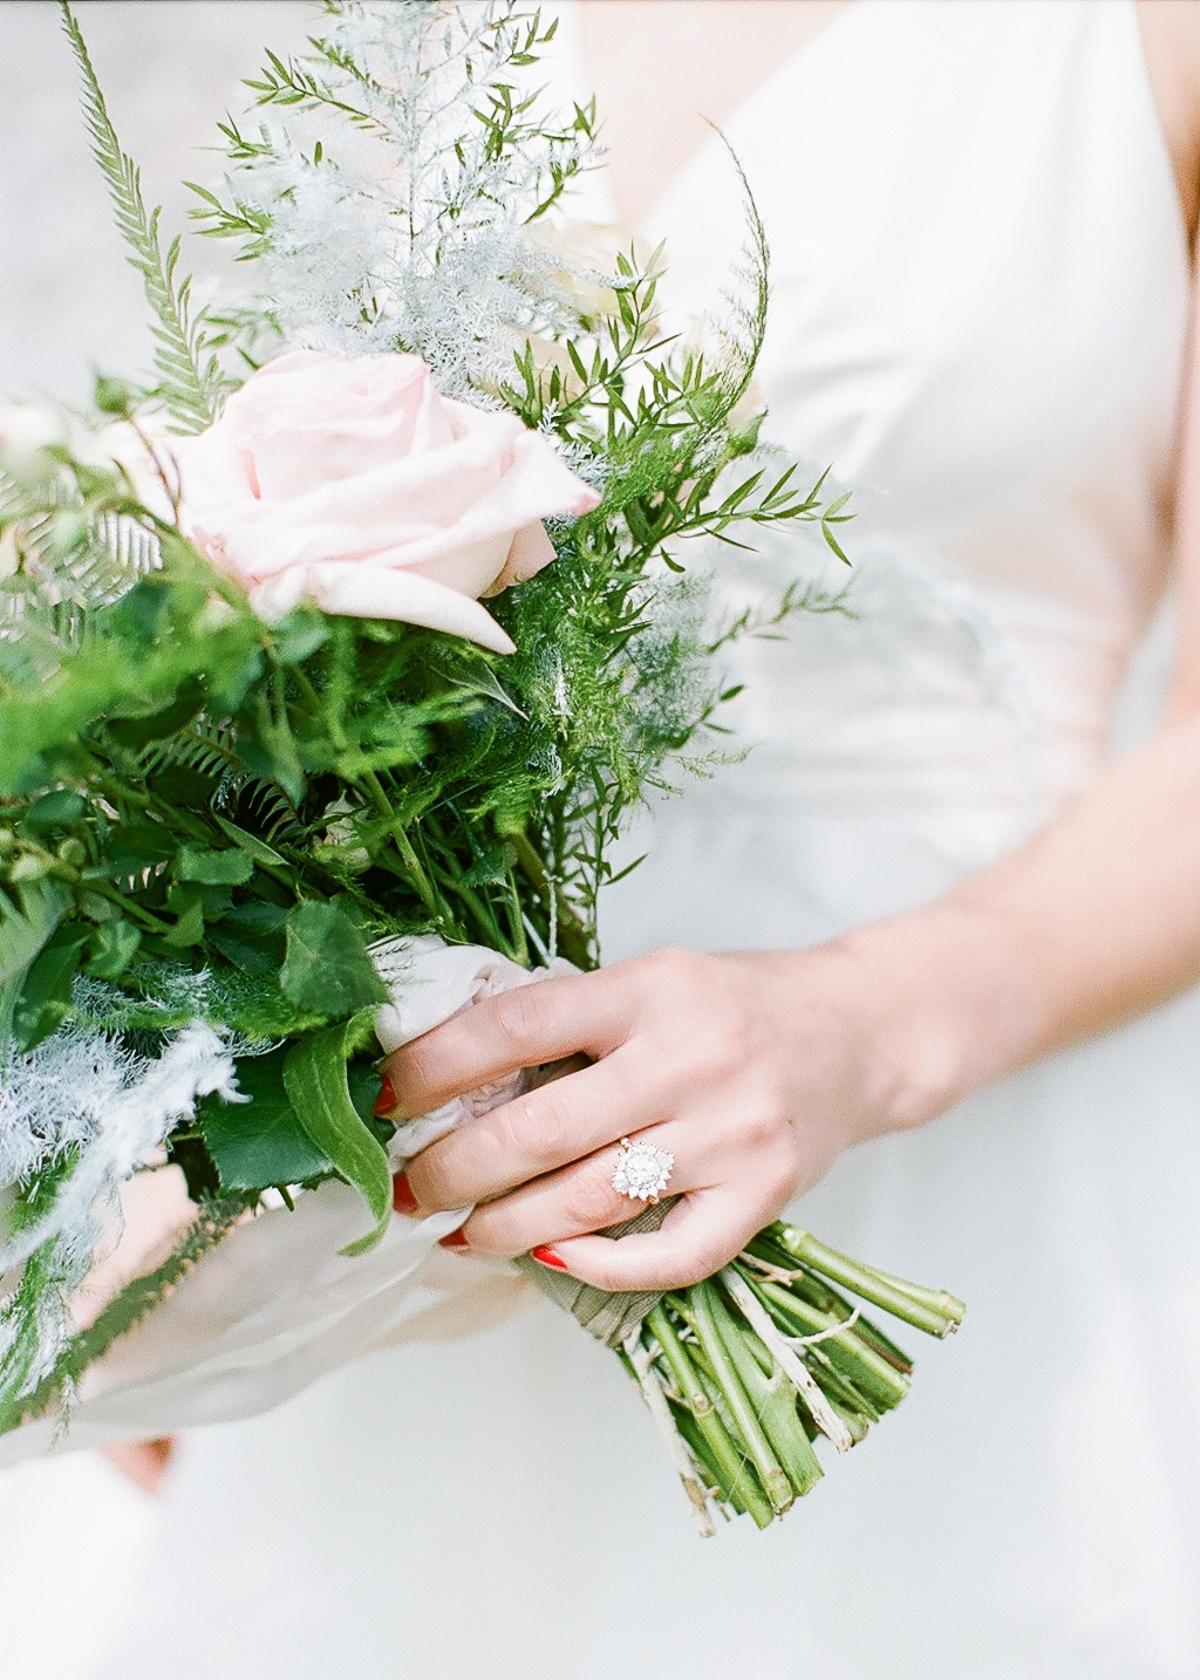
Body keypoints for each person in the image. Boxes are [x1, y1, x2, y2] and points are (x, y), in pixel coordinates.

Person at [97, 3, 1200, 1675]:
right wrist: (163, 1160)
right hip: (464, 1160)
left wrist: (859, 1026)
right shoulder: (396, 31)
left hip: (996, 1090)